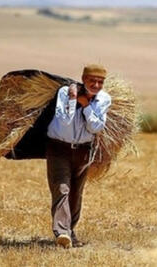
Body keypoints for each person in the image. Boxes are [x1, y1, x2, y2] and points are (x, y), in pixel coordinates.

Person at [46, 64, 111, 248]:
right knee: (61, 188)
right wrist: (74, 99)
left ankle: (70, 232)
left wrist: (87, 106)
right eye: (92, 80)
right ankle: (62, 232)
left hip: (83, 150)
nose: (96, 85)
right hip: (58, 147)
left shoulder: (104, 99)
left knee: (76, 192)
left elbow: (96, 127)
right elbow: (64, 122)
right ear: (83, 79)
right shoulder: (65, 92)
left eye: (100, 82)